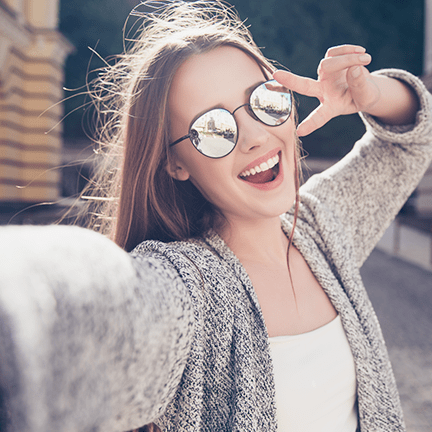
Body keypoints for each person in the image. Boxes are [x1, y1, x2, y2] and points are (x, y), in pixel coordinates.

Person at [0, 1, 431, 431]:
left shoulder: (324, 227)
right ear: (175, 164)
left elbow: (410, 141)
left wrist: (370, 95)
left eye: (266, 100)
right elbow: (83, 307)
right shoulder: (188, 287)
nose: (257, 136)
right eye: (212, 129)